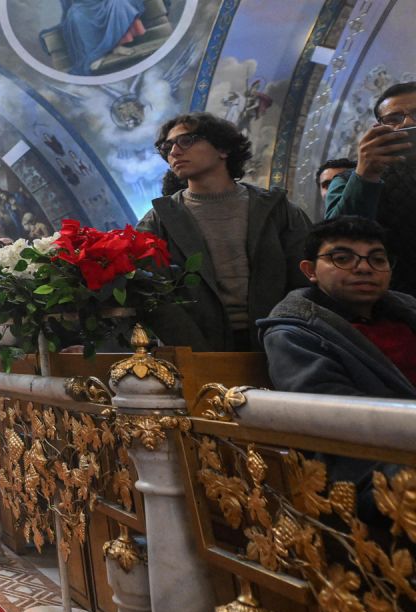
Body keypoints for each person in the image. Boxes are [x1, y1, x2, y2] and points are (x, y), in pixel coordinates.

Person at [137, 112, 311, 350]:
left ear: (223, 149)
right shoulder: (159, 219)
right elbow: (151, 294)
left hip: (278, 344)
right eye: (167, 147)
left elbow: (305, 280)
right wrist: (192, 348)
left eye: (186, 140)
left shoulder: (277, 210)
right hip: (196, 350)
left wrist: (287, 336)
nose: (174, 152)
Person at [259, 216, 416, 400]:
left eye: (378, 259)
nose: (364, 268)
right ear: (310, 270)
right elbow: (333, 411)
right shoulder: (294, 333)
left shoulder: (406, 311)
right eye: (342, 259)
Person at [324, 82, 416, 293]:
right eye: (393, 119)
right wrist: (366, 174)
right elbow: (336, 241)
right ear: (379, 128)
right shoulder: (348, 180)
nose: (406, 123)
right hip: (392, 300)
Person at [59, 0, 147, 76]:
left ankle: (116, 46)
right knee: (75, 15)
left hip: (106, 2)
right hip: (85, 6)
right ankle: (95, 56)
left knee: (119, 3)